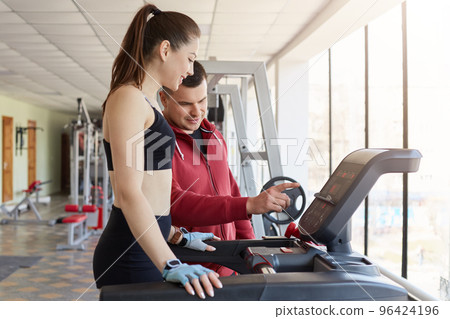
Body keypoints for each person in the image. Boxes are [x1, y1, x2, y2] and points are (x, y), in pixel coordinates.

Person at [92, 4, 222, 299]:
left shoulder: (145, 102)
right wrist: (170, 262)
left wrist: (177, 235)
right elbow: (128, 194)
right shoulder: (128, 98)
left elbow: (151, 188)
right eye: (189, 58)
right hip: (131, 256)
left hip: (148, 245)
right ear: (165, 50)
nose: (190, 69)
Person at [159, 61, 299, 276]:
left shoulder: (213, 136)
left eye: (202, 100)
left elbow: (231, 191)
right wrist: (250, 204)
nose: (197, 112)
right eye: (185, 103)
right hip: (191, 268)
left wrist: (251, 248)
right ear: (163, 99)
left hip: (229, 263)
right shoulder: (158, 143)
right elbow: (174, 203)